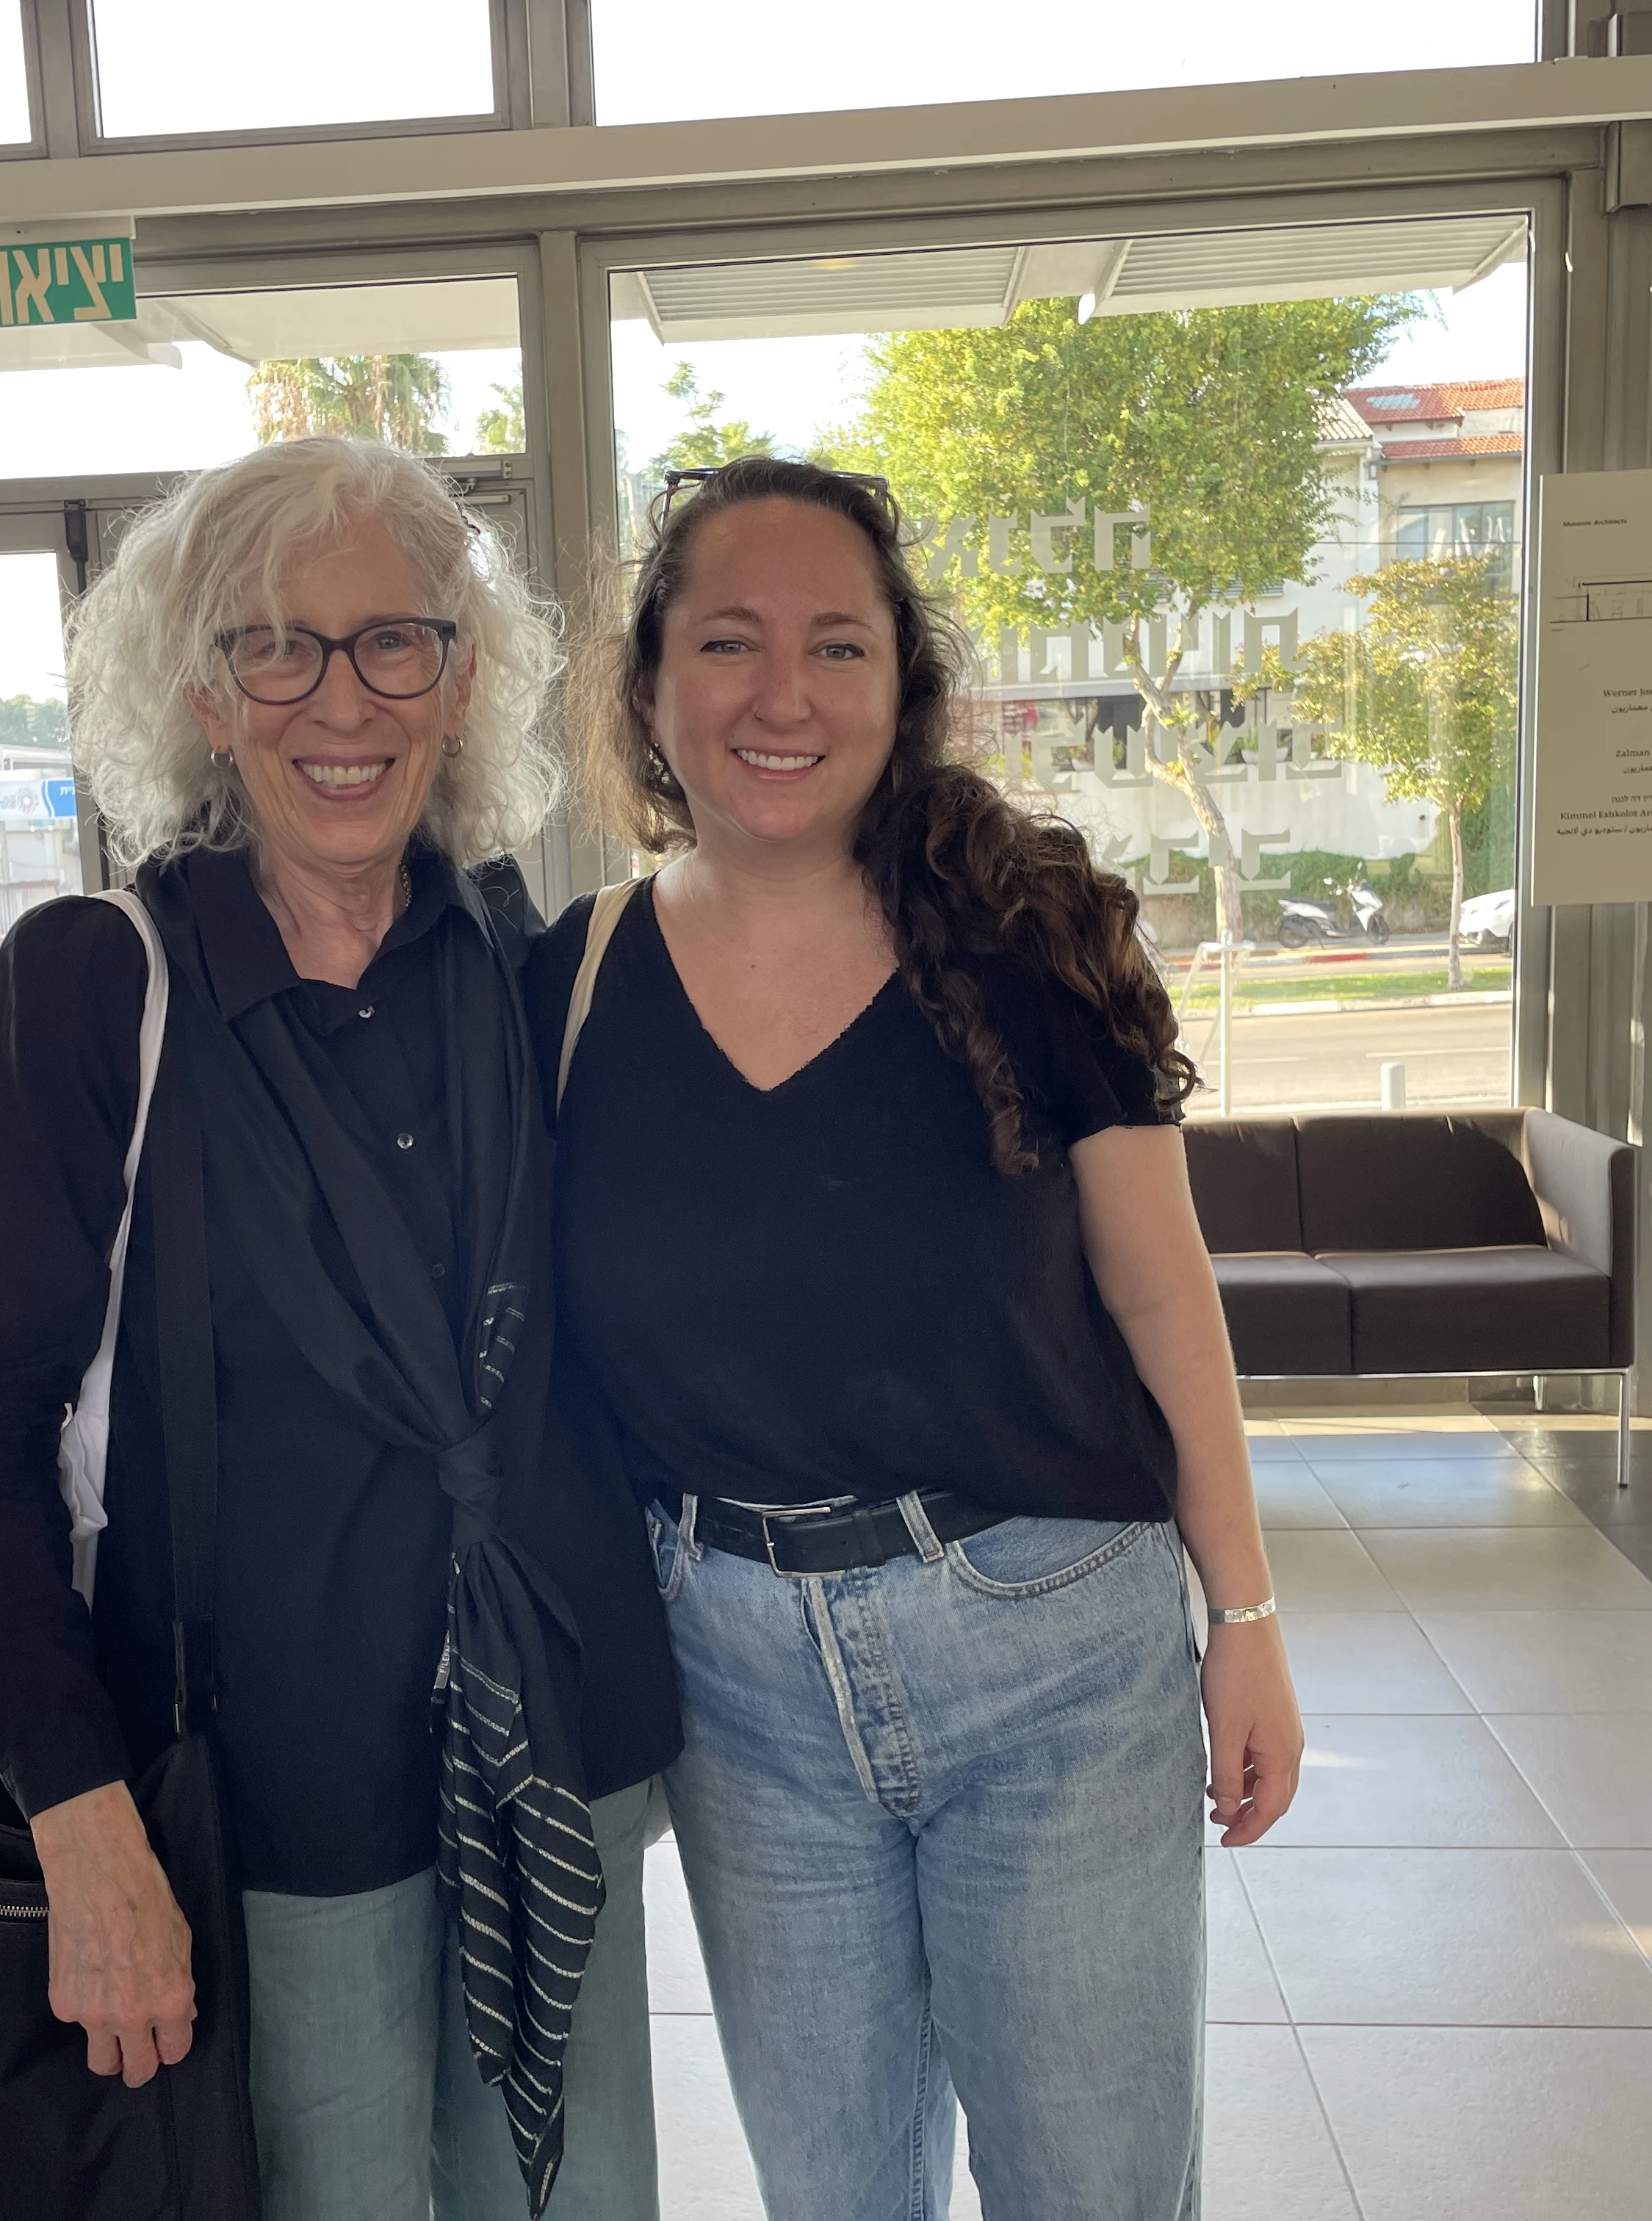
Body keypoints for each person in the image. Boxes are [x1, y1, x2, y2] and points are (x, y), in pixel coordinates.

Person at [0, 435, 679, 2221]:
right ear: (203, 690)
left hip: (550, 1752)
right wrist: (84, 1823)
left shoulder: (507, 953)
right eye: (277, 646)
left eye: (395, 641)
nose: (344, 698)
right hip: (266, 1807)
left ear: (463, 679)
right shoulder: (98, 987)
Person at [526, 456, 1302, 2220]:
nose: (781, 696)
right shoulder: (560, 984)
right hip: (730, 1678)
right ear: (650, 685)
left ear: (904, 686)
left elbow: (1162, 1294)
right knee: (836, 2190)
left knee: (1091, 2183)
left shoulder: (1035, 943)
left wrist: (1244, 1617)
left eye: (838, 646)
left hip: (1055, 1648)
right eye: (728, 642)